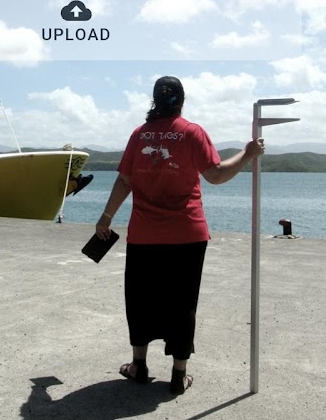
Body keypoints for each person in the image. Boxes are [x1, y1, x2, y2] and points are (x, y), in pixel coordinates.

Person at [95, 75, 265, 395]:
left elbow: (124, 181)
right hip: (187, 234)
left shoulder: (139, 135)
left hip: (145, 236)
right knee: (183, 304)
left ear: (154, 100)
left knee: (141, 301)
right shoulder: (191, 132)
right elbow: (216, 175)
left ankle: (139, 365)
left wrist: (105, 218)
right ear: (181, 101)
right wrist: (247, 154)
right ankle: (178, 374)